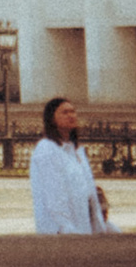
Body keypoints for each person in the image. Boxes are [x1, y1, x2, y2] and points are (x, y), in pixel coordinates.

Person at [31, 96, 112, 234]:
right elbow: (54, 194)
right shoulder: (47, 149)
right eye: (65, 112)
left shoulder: (76, 150)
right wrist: (66, 228)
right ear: (51, 119)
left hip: (83, 226)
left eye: (72, 111)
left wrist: (100, 225)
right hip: (60, 231)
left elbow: (88, 190)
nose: (71, 116)